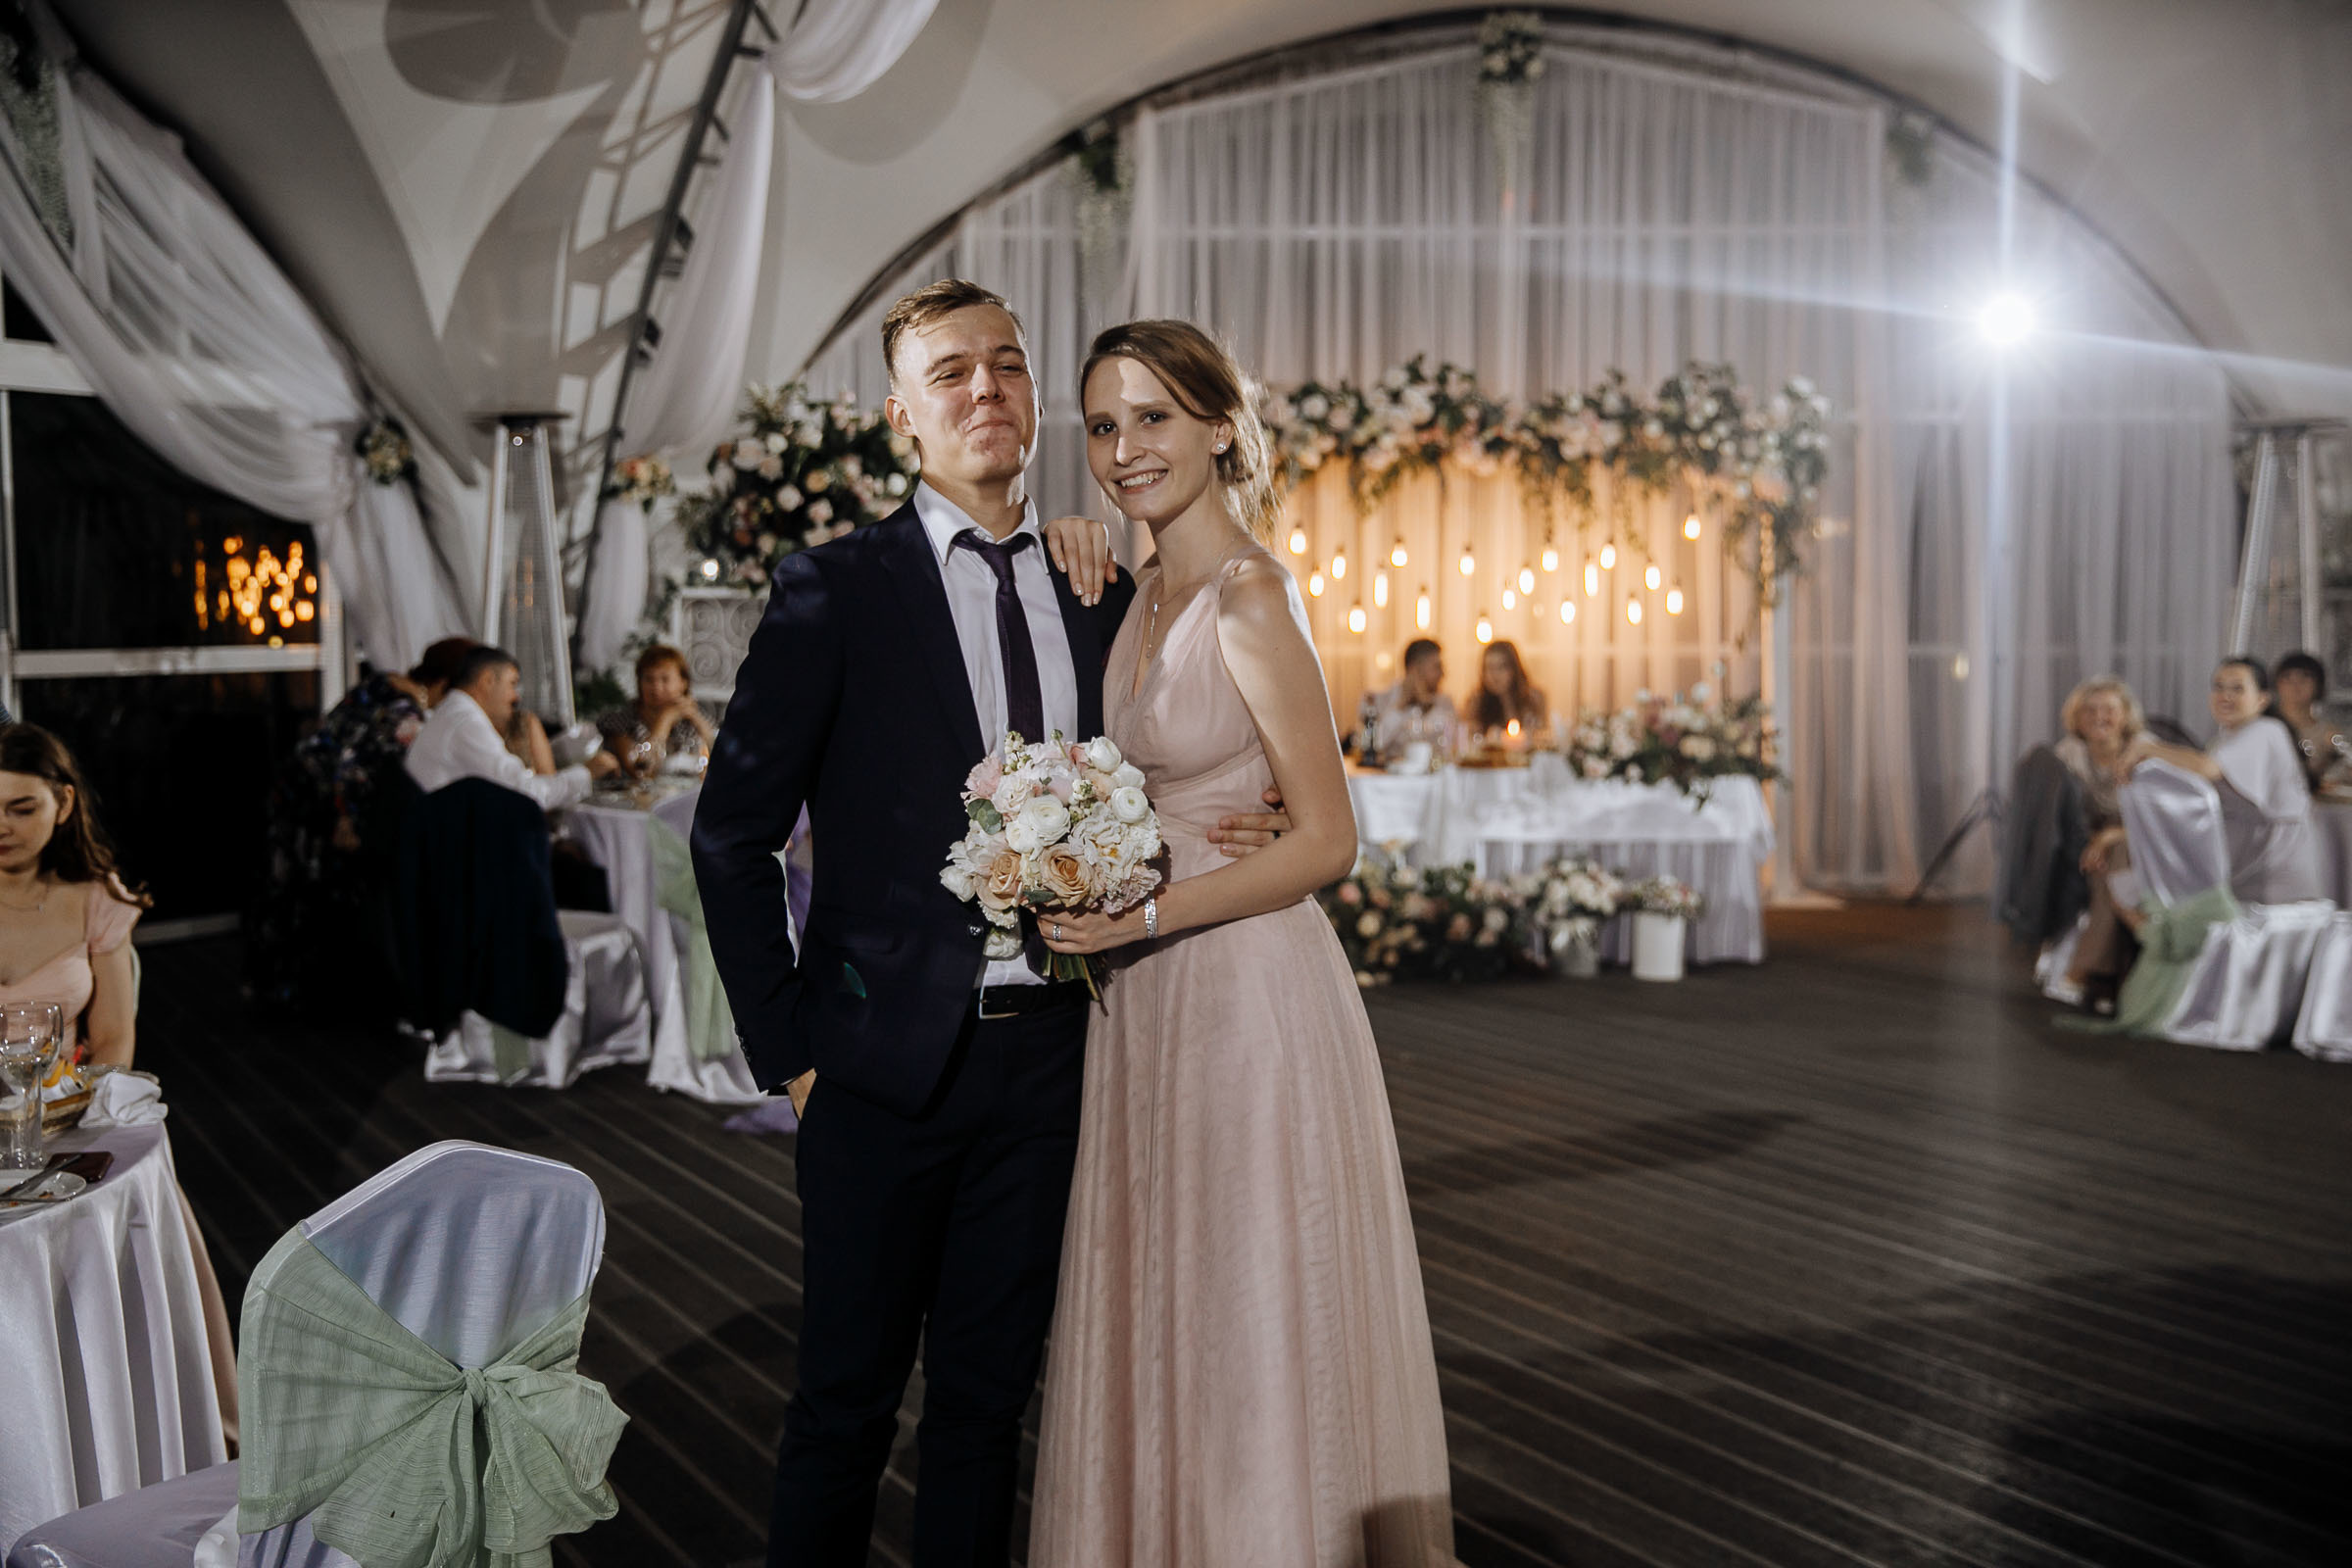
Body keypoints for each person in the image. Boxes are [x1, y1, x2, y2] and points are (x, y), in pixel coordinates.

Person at [692, 278, 1137, 1568]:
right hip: (876, 1070)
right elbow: (731, 835)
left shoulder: (1093, 585)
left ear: (1037, 399)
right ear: (905, 415)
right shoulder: (834, 589)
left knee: (988, 1415)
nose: (987, 388)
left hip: (1055, 1059)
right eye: (952, 373)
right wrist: (792, 1050)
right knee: (844, 1409)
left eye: (1007, 365)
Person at [1031, 319, 1453, 1564]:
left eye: (1153, 417)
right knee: (1170, 1296)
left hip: (1245, 992)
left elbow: (1329, 839)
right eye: (1103, 426)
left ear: (1223, 426)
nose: (1123, 449)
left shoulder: (1252, 593)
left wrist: (1143, 911)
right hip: (1146, 996)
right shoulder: (1138, 584)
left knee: (1251, 1295)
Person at [0, 723, 240, 1447]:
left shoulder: (95, 899)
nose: (1, 827)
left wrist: (59, 1117)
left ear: (64, 804)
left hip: (52, 1115)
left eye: (21, 808)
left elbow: (111, 1042)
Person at [2118, 656, 2323, 906]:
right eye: (2218, 687)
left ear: (2262, 698)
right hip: (2249, 865)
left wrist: (2147, 747)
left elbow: (2206, 768)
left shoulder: (2265, 731)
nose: (2225, 696)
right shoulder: (2226, 738)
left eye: (2237, 688)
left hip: (2275, 873)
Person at [405, 645, 617, 808]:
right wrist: (587, 772)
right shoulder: (464, 722)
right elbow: (524, 794)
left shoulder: (454, 713)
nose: (516, 697)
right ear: (487, 680)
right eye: (512, 683)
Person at [2053, 675, 2145, 1002]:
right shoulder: (2068, 755)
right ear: (2076, 718)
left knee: (2115, 857)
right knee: (2107, 866)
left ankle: (2084, 971)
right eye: (2089, 710)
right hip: (2091, 842)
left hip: (2145, 841)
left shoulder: (2144, 750)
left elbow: (2163, 819)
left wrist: (2108, 837)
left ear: (2125, 716)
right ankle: (2130, 946)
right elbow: (2063, 819)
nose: (2098, 717)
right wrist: (2095, 840)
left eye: (2108, 709)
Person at [601, 643, 714, 776]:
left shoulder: (693, 716)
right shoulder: (621, 719)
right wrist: (665, 720)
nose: (656, 687)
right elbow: (640, 771)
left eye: (665, 679)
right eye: (649, 679)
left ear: (683, 683)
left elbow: (722, 755)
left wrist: (697, 720)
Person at [1365, 637, 1460, 760]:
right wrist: (1400, 706)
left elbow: (1453, 744)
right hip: (1394, 778)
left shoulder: (1444, 702)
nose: (1443, 673)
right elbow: (1375, 743)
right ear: (1414, 669)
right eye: (1436, 667)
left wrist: (1427, 705)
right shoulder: (1385, 698)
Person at [2273, 651, 2343, 791]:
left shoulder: (2328, 734)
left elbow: (2342, 770)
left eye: (2304, 678)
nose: (2295, 685)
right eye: (2287, 678)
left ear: (2318, 685)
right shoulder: (2264, 726)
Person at [1467, 637, 1548, 741]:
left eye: (1501, 667)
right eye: (1489, 668)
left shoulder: (1533, 698)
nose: (1494, 675)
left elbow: (1541, 736)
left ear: (1514, 669)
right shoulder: (1476, 702)